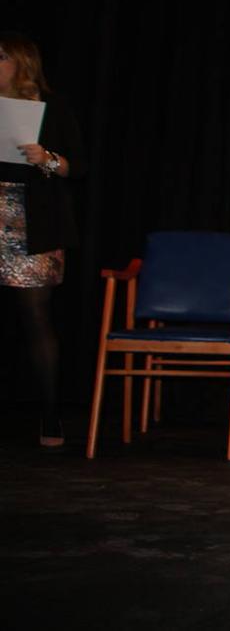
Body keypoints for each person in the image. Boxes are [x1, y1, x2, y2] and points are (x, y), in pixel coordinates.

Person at [0, 34, 84, 449]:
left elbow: (76, 167)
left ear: (21, 63)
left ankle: (50, 414)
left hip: (31, 219)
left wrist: (46, 158)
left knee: (36, 317)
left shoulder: (52, 108)